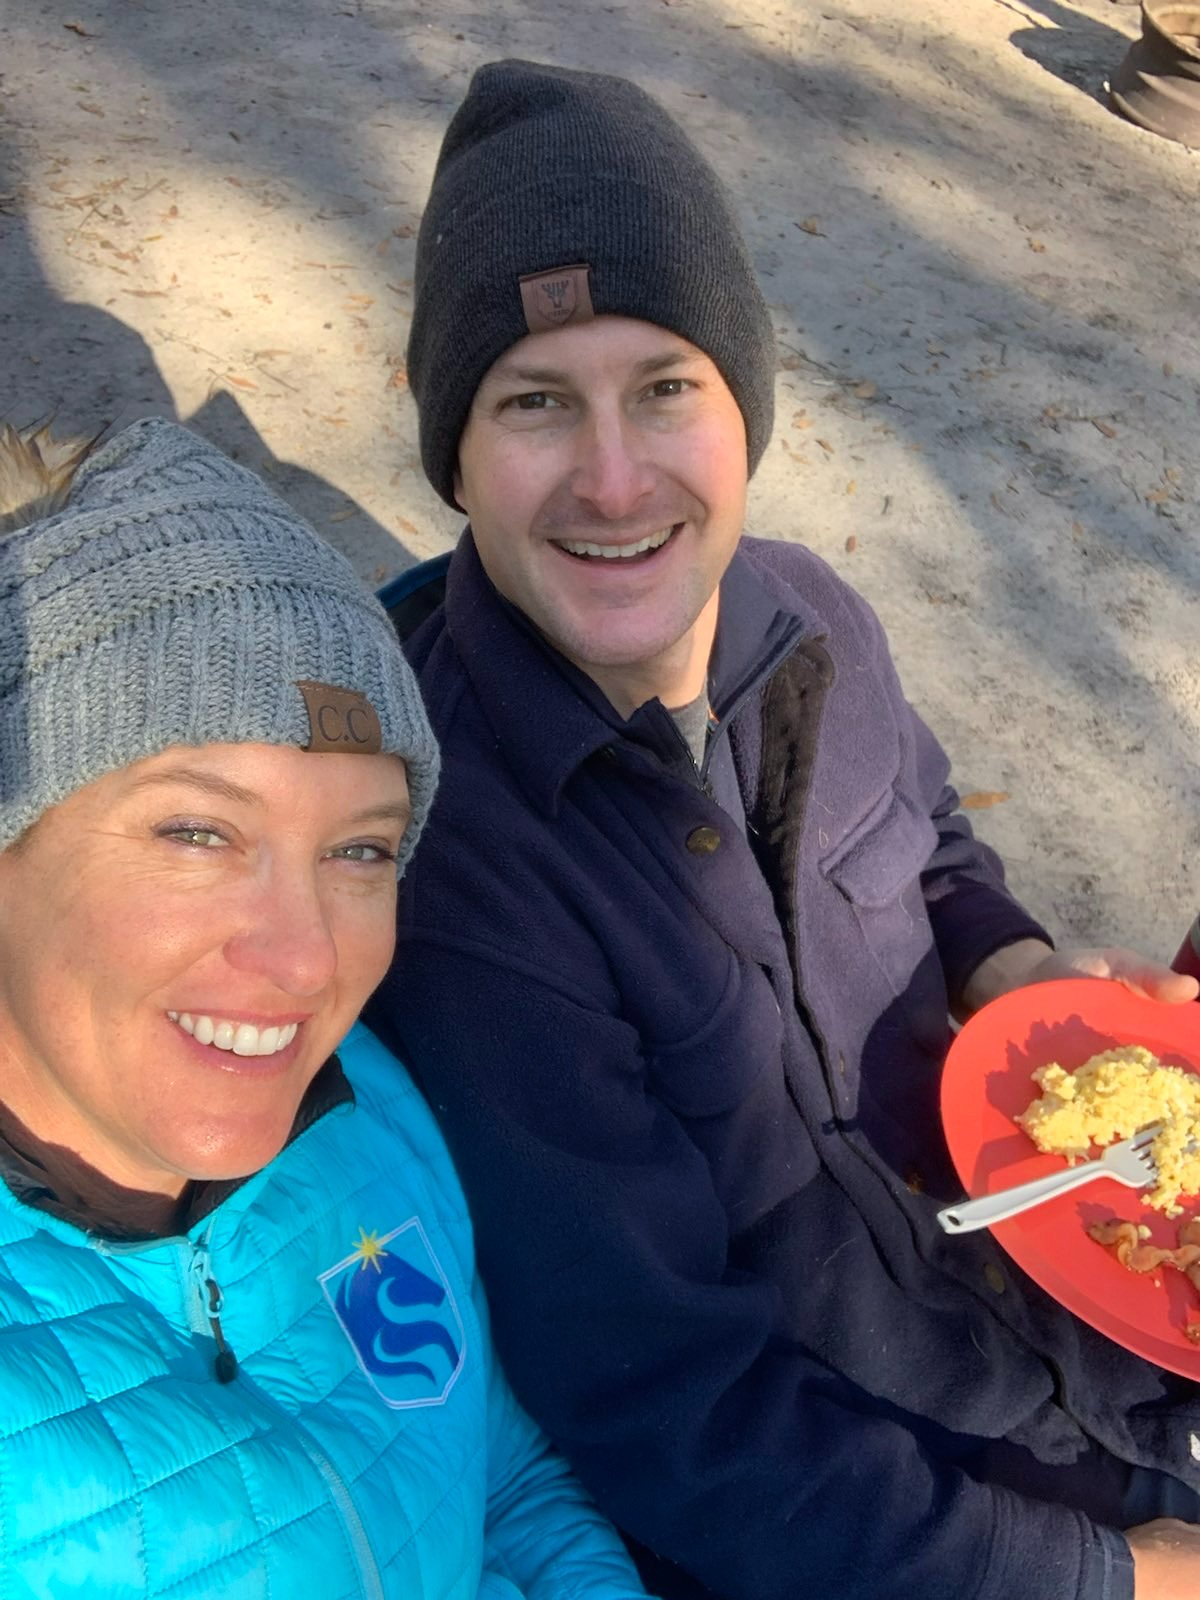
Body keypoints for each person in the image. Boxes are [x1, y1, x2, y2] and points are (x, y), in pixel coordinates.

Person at [366, 59, 1200, 1600]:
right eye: (535, 402)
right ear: (454, 451)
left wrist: (1012, 968)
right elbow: (677, 1412)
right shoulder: (464, 861)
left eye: (665, 388)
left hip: (1079, 1297)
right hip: (889, 1509)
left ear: (745, 409)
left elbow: (933, 838)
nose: (615, 479)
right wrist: (1107, 1578)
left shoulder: (815, 614)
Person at [0, 415, 649, 1600]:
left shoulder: (364, 1106)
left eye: (360, 850)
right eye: (197, 831)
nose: (307, 965)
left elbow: (501, 1480)